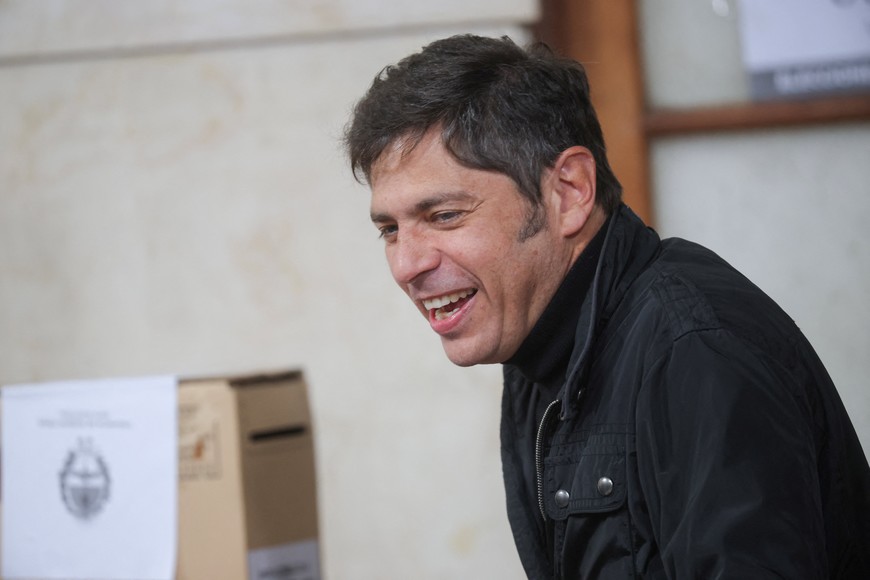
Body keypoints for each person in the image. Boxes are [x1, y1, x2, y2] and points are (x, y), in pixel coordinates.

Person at [343, 34, 870, 579]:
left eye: (445, 215)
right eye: (389, 229)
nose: (407, 265)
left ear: (569, 192)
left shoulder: (696, 353)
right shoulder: (538, 345)